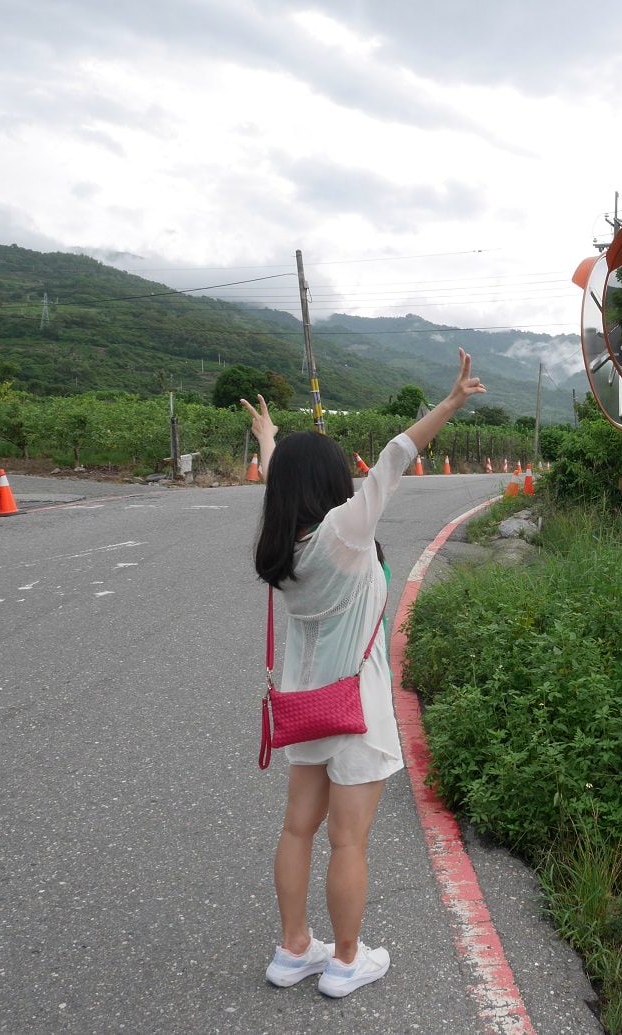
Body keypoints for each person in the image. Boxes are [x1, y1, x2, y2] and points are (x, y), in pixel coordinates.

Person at [243, 348, 486, 998]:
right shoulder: (345, 533)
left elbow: (279, 482)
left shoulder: (284, 545)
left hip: (305, 709)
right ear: (330, 483)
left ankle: (293, 947)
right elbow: (397, 452)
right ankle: (346, 959)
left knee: (299, 827)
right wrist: (453, 401)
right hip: (356, 714)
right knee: (348, 841)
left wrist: (268, 438)